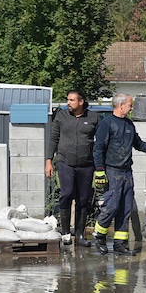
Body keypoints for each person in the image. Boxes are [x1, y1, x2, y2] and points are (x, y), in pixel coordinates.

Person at [92, 93, 146, 255]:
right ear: (120, 105)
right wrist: (99, 170)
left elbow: (138, 144)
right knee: (111, 206)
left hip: (126, 172)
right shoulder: (107, 124)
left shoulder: (129, 124)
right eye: (130, 104)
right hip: (111, 171)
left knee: (125, 208)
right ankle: (99, 237)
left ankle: (120, 244)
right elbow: (98, 148)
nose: (132, 107)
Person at [45, 89, 100, 247]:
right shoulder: (61, 116)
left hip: (86, 165)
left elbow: (100, 142)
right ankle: (65, 233)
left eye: (71, 100)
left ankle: (80, 235)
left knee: (83, 200)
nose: (68, 103)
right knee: (67, 194)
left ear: (81, 102)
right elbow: (53, 139)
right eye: (68, 100)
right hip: (65, 162)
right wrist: (49, 160)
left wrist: (99, 165)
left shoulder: (93, 118)